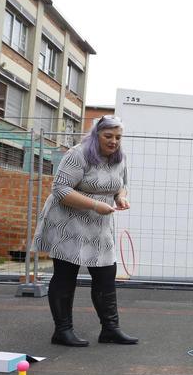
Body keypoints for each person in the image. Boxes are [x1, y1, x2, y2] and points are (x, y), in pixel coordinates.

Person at [32, 114, 137, 347]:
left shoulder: (119, 158)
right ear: (96, 134)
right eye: (108, 136)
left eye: (118, 137)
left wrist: (120, 197)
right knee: (66, 273)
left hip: (99, 224)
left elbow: (122, 186)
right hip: (68, 220)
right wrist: (95, 204)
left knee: (106, 274)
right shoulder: (78, 154)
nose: (114, 141)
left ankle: (110, 329)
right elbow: (60, 189)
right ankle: (62, 331)